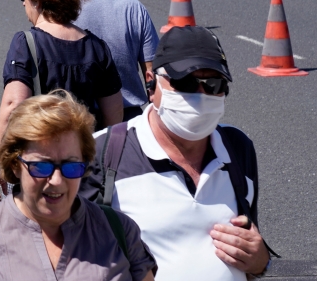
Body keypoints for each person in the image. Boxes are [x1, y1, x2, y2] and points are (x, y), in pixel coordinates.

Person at [81, 26, 272, 281]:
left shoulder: (238, 147)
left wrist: (261, 263)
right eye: (186, 82)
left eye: (214, 84)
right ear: (151, 82)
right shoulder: (103, 152)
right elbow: (73, 255)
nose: (201, 96)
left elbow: (250, 246)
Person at [0, 91, 156, 281]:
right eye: (41, 166)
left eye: (71, 166)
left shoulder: (120, 231)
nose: (58, 181)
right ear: (14, 165)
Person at [0, 0, 123, 204]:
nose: (23, 3)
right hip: (80, 166)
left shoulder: (26, 44)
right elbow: (114, 116)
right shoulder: (97, 47)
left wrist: (0, 165)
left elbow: (13, 105)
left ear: (38, 0)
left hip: (38, 167)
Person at [71, 0, 159, 122]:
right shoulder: (134, 8)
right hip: (127, 121)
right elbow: (152, 73)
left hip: (75, 123)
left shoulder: (63, 8)